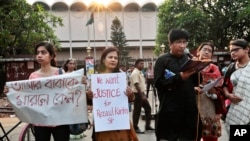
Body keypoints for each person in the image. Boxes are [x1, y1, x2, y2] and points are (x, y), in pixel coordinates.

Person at [3, 42, 87, 141]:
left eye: (43, 52)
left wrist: (80, 82)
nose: (39, 55)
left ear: (51, 56)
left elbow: (71, 91)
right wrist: (10, 91)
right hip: (40, 122)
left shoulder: (60, 73)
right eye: (38, 53)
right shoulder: (33, 76)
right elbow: (26, 96)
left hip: (60, 121)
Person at [154, 29, 202, 141]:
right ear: (170, 44)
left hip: (188, 109)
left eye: (184, 42)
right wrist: (179, 78)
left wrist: (198, 67)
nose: (182, 45)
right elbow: (158, 83)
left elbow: (196, 82)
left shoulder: (188, 59)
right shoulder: (162, 60)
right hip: (170, 109)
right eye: (178, 42)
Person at [86, 47, 138, 141]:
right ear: (103, 59)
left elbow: (129, 98)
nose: (113, 60)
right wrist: (88, 96)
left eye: (116, 58)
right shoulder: (96, 77)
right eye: (110, 57)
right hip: (103, 122)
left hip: (120, 121)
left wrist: (130, 95)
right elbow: (91, 102)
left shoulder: (121, 76)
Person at [194, 42, 222, 141]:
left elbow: (220, 88)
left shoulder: (215, 69)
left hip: (210, 106)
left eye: (209, 51)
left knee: (210, 136)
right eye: (204, 49)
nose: (206, 52)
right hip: (194, 103)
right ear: (198, 52)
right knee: (193, 135)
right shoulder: (192, 67)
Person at [222, 39, 249, 133]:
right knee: (237, 134)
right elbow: (224, 85)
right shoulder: (231, 67)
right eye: (231, 51)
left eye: (236, 50)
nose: (233, 53)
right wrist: (228, 95)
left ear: (246, 49)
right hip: (236, 107)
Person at [130, 58, 154, 133]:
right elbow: (136, 84)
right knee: (137, 111)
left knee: (148, 108)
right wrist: (142, 95)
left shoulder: (140, 72)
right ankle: (135, 127)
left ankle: (147, 126)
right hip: (137, 94)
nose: (142, 65)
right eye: (141, 63)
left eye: (143, 63)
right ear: (136, 64)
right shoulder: (135, 73)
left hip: (141, 93)